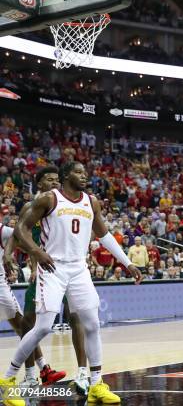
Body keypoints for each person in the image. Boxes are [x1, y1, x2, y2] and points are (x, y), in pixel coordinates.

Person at [0, 162, 143, 404]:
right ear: (66, 176)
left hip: (79, 269)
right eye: (78, 172)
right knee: (43, 327)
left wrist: (127, 262)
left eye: (85, 172)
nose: (84, 176)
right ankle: (8, 380)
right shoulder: (49, 199)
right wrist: (36, 252)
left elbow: (104, 235)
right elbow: (20, 230)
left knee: (92, 323)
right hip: (52, 267)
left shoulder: (91, 201)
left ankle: (96, 383)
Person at [3, 167, 72, 391]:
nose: (54, 182)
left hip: (65, 270)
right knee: (27, 322)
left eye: (57, 179)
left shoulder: (65, 205)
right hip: (43, 271)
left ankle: (81, 373)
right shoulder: (32, 206)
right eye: (49, 179)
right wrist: (9, 255)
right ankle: (34, 373)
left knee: (79, 321)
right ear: (39, 184)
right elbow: (17, 234)